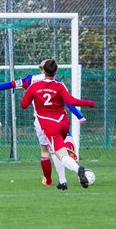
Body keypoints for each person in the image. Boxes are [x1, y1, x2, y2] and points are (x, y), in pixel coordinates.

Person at [0, 60, 85, 190]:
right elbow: (67, 102)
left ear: (42, 69)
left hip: (41, 122)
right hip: (57, 119)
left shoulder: (30, 80)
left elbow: (10, 84)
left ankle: (52, 180)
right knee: (59, 146)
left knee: (46, 151)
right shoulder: (58, 83)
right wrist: (79, 115)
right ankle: (68, 157)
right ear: (53, 70)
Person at [21, 59, 95, 188]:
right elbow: (71, 101)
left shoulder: (34, 87)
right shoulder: (59, 86)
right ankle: (62, 182)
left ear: (43, 70)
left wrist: (33, 97)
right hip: (63, 123)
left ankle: (78, 170)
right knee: (55, 151)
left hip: (50, 126)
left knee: (61, 154)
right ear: (55, 72)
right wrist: (89, 103)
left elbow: (23, 105)